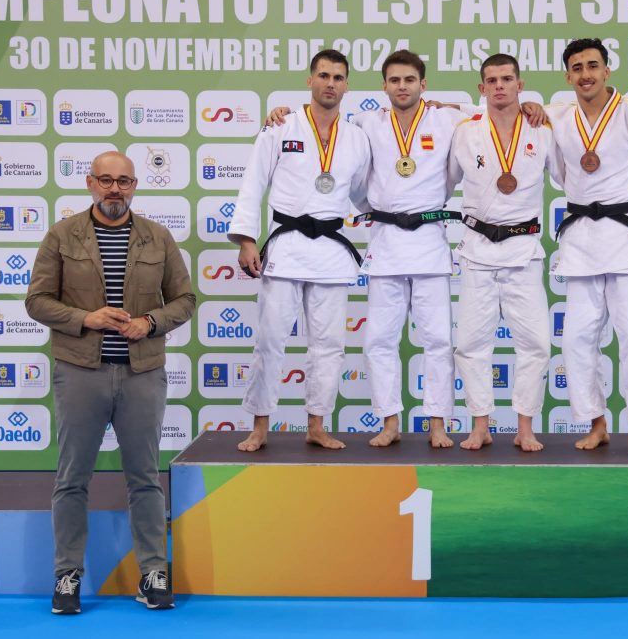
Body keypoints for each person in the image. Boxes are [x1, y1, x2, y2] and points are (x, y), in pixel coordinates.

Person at [265, 53, 545, 449]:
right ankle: (389, 421)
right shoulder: (364, 124)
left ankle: (437, 424)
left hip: (430, 241)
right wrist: (281, 114)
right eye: (394, 80)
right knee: (379, 340)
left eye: (409, 79)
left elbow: (493, 110)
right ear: (384, 87)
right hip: (385, 240)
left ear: (423, 85)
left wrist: (534, 105)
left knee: (436, 341)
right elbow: (330, 139)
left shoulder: (449, 119)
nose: (402, 86)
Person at [26, 150, 195, 614]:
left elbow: (185, 299)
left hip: (143, 373)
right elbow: (37, 302)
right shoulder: (62, 235)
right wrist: (86, 317)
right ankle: (66, 577)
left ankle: (154, 573)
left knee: (144, 479)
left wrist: (152, 322)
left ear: (135, 185)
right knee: (71, 479)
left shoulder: (158, 238)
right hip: (80, 372)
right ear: (90, 183)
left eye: (123, 181)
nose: (114, 188)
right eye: (105, 180)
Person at [228, 48, 370, 452]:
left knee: (329, 345)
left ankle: (317, 424)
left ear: (346, 84)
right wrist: (245, 239)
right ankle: (259, 426)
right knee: (271, 339)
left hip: (330, 252)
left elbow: (362, 194)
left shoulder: (357, 138)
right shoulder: (280, 126)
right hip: (286, 246)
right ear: (310, 81)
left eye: (338, 77)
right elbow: (253, 183)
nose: (330, 84)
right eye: (323, 76)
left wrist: (393, 214)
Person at [546, 38, 628, 455]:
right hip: (582, 239)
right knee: (577, 341)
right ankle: (596, 422)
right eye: (577, 68)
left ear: (607, 70)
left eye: (593, 66)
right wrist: (443, 108)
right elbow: (506, 119)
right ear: (568, 76)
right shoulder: (558, 119)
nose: (585, 74)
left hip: (627, 238)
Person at [448, 53, 562, 452]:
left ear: (520, 83)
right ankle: (480, 424)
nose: (499, 86)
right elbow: (442, 179)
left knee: (536, 345)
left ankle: (525, 426)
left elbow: (569, 177)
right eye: (491, 80)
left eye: (507, 79)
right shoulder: (464, 131)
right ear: (482, 88)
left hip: (523, 250)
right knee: (471, 345)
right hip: (478, 249)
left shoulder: (543, 128)